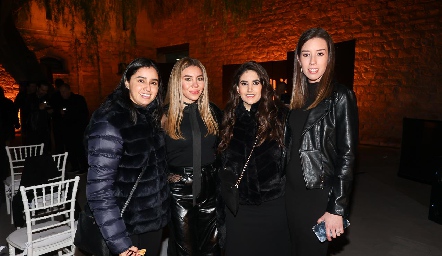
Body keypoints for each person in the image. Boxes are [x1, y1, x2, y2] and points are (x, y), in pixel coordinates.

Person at [285, 27, 359, 255]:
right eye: (306, 54)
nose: (313, 61)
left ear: (329, 57)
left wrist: (336, 209)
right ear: (298, 59)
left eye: (320, 53)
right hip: (288, 196)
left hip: (317, 197)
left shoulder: (341, 96)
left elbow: (347, 156)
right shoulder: (293, 99)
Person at [85, 58, 170, 256]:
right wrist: (120, 242)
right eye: (141, 80)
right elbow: (99, 190)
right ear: (126, 82)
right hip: (125, 227)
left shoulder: (149, 117)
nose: (147, 88)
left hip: (150, 223)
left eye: (154, 82)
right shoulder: (111, 122)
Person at [217, 61, 290, 256]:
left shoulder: (281, 118)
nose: (250, 89)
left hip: (273, 207)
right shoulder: (227, 119)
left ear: (264, 86)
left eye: (255, 83)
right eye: (244, 83)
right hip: (239, 210)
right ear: (237, 88)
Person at [162, 57, 221, 256]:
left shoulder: (212, 112)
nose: (195, 85)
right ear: (177, 82)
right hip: (180, 191)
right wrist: (167, 177)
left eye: (199, 78)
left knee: (211, 248)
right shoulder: (163, 116)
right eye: (188, 79)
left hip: (210, 188)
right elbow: (151, 156)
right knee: (185, 251)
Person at [56, 83, 89, 173]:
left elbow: (82, 114)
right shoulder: (62, 101)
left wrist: (67, 113)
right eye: (61, 92)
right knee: (70, 149)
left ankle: (84, 167)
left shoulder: (79, 99)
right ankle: (75, 166)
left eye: (64, 92)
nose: (62, 94)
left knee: (80, 149)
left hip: (78, 129)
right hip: (67, 129)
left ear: (68, 90)